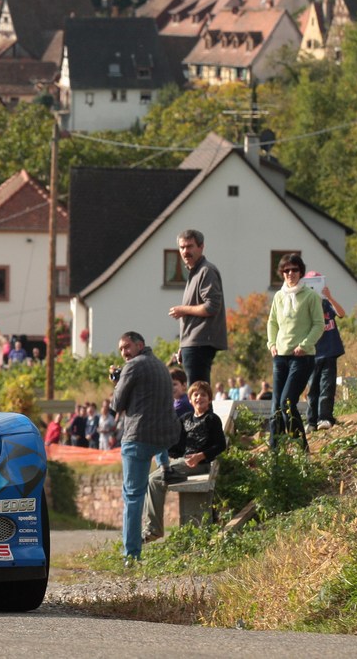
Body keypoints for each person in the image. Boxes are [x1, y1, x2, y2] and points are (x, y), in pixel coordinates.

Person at [111, 330, 180, 563]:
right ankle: (165, 464)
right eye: (121, 349)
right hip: (162, 437)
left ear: (140, 345)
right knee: (140, 489)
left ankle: (131, 554)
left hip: (137, 437)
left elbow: (117, 403)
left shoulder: (132, 366)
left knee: (132, 496)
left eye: (127, 347)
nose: (124, 352)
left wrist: (116, 382)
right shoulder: (160, 365)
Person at [142, 380, 227, 542]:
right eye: (195, 395)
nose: (199, 398)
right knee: (154, 478)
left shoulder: (212, 419)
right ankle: (153, 526)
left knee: (153, 480)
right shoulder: (186, 418)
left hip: (201, 465)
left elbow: (220, 445)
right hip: (184, 463)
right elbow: (177, 447)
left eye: (203, 395)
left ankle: (154, 529)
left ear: (209, 399)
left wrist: (200, 456)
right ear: (190, 399)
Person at [267, 253, 324, 448]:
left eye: (294, 270)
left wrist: (305, 345)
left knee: (287, 402)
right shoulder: (279, 296)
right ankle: (275, 453)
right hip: (280, 356)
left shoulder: (310, 296)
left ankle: (301, 450)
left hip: (301, 357)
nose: (290, 273)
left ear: (301, 272)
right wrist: (272, 344)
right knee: (275, 406)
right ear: (282, 273)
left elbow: (319, 324)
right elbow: (272, 322)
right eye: (286, 270)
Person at [169, 229, 228, 386]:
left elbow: (212, 306)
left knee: (198, 393)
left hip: (201, 342)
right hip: (193, 342)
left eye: (190, 246)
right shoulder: (194, 272)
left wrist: (183, 309)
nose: (185, 251)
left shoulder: (206, 270)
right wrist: (183, 344)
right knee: (196, 393)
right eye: (182, 247)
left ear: (201, 247)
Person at [306, 276, 346, 431]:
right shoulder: (305, 306)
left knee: (327, 386)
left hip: (329, 351)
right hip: (312, 353)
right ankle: (311, 420)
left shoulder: (327, 304)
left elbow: (341, 313)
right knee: (312, 388)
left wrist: (329, 297)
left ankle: (325, 417)